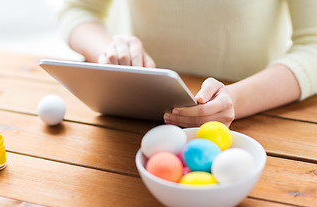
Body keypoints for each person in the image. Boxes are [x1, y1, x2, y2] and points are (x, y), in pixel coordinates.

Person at [58, 0, 317, 127]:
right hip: (131, 118)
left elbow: (313, 46)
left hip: (246, 125)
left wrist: (236, 100)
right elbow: (78, 9)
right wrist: (110, 51)